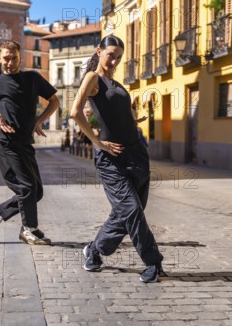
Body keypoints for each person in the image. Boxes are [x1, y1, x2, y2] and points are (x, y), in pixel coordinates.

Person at [70, 35, 164, 283]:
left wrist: (132, 121)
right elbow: (75, 112)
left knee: (126, 213)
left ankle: (94, 251)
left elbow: (118, 112)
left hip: (136, 154)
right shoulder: (93, 78)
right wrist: (96, 142)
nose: (114, 61)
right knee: (131, 210)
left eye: (119, 57)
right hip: (111, 158)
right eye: (110, 54)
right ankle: (153, 261)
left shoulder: (118, 84)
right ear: (99, 51)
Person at [0, 40, 59, 245]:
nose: (10, 63)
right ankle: (29, 229)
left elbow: (54, 101)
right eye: (5, 58)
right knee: (27, 187)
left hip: (25, 144)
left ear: (20, 57)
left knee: (36, 191)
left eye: (14, 58)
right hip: (6, 144)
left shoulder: (33, 78)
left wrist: (40, 120)